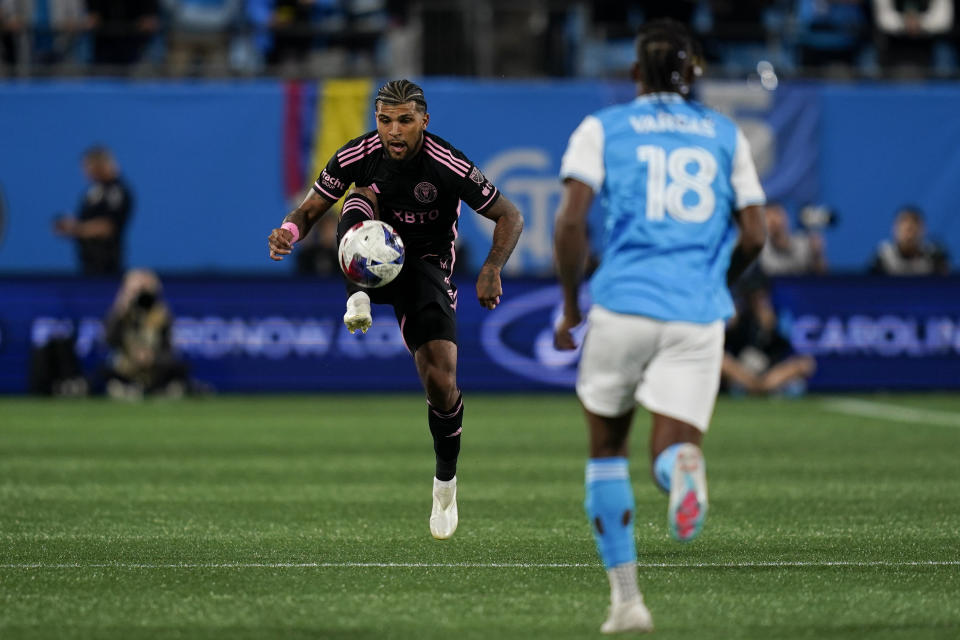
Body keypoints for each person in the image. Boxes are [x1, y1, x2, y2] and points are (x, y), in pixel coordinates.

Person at [553, 19, 766, 634]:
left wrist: (571, 305)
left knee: (607, 451)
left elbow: (570, 224)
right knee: (670, 449)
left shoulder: (604, 127)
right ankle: (683, 471)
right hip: (697, 314)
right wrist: (717, 279)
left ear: (634, 75)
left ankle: (628, 602)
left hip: (623, 303)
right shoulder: (725, 134)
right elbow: (755, 234)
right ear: (694, 73)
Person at [267, 79, 524, 540]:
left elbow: (510, 214)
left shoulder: (447, 162)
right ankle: (358, 293)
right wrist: (288, 230)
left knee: (442, 383)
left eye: (405, 120)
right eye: (385, 120)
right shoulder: (356, 154)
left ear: (424, 120)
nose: (394, 131)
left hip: (425, 266)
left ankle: (445, 482)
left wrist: (492, 267)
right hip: (372, 250)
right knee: (360, 194)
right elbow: (309, 211)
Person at [101, 269, 190, 399]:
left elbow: (168, 347)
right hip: (128, 364)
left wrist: (152, 357)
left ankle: (161, 388)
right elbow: (109, 340)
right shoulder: (122, 314)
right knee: (107, 369)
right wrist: (121, 307)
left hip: (155, 365)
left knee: (179, 366)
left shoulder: (160, 313)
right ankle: (129, 388)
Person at [722, 283, 816, 395]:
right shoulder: (741, 317)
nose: (760, 302)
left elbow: (784, 347)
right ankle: (757, 387)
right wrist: (733, 326)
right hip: (744, 371)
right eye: (755, 297)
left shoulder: (778, 316)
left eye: (762, 297)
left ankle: (762, 386)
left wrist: (771, 328)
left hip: (770, 370)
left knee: (807, 363)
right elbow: (728, 345)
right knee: (722, 360)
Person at [52, 145, 133, 276]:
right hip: (87, 263)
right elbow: (86, 221)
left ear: (101, 165)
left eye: (88, 166)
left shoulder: (117, 192)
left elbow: (108, 227)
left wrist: (76, 229)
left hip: (107, 266)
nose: (85, 171)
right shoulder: (93, 192)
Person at [869, 205, 949, 275]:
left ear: (923, 229)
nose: (909, 235)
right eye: (905, 229)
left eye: (913, 229)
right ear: (894, 229)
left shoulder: (934, 256)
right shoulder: (883, 257)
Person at [758, 203, 827, 276]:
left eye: (777, 214)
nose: (773, 220)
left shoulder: (804, 243)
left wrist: (817, 255)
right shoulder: (761, 249)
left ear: (786, 218)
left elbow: (822, 275)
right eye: (768, 216)